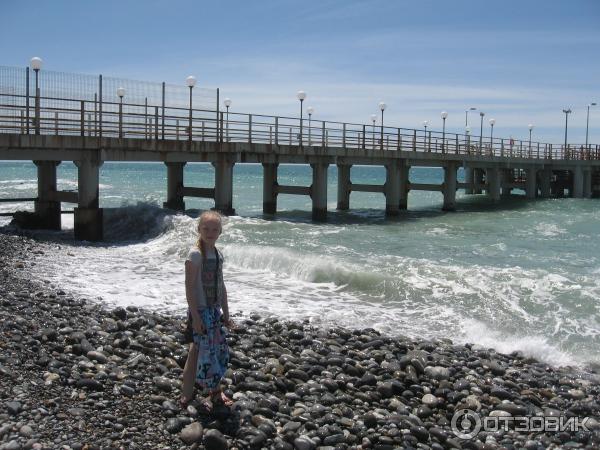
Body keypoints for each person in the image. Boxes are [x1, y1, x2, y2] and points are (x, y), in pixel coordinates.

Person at [180, 210, 235, 410]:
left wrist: (226, 313)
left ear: (220, 231)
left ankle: (214, 390)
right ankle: (187, 394)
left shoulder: (218, 254)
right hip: (200, 312)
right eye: (206, 228)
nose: (210, 232)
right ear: (199, 229)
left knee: (216, 352)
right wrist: (195, 317)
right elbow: (189, 287)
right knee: (195, 351)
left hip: (214, 311)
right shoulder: (195, 255)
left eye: (214, 229)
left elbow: (221, 285)